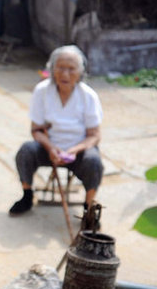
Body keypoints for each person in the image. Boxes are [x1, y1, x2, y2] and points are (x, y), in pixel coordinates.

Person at [9, 45, 103, 216]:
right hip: (49, 148)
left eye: (71, 69)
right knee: (26, 151)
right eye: (60, 68)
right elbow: (36, 130)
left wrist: (74, 150)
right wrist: (51, 148)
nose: (65, 74)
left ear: (80, 72)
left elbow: (94, 135)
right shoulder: (42, 91)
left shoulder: (88, 96)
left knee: (94, 162)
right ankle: (27, 195)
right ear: (52, 69)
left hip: (78, 150)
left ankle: (89, 208)